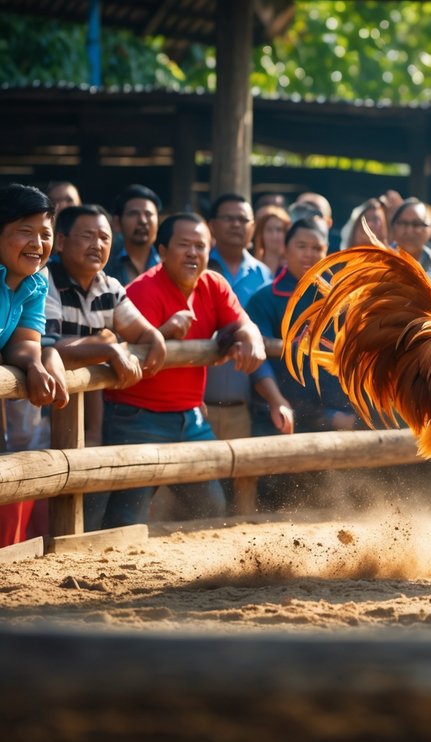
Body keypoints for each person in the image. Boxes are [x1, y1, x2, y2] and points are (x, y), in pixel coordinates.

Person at [99, 212, 266, 529]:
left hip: (190, 417)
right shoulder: (143, 291)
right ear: (162, 251)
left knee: (210, 505)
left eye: (200, 246)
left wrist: (252, 339)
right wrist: (162, 332)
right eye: (184, 244)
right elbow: (124, 349)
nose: (193, 253)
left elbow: (243, 323)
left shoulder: (214, 284)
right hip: (137, 416)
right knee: (127, 516)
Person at [43, 204, 168, 530]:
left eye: (104, 237)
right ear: (60, 242)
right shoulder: (44, 279)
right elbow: (48, 348)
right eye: (87, 236)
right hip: (37, 412)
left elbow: (140, 331)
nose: (97, 244)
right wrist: (107, 348)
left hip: (87, 418)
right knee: (36, 496)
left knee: (85, 501)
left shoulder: (109, 286)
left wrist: (155, 337)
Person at [245, 216, 357, 438]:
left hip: (337, 419)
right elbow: (258, 361)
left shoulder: (340, 301)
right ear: (285, 249)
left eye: (317, 248)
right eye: (301, 246)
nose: (309, 254)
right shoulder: (264, 299)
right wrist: (276, 400)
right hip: (278, 416)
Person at [0, 184, 68, 546]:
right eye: (25, 231)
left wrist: (36, 365)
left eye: (45, 233)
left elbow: (25, 341)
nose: (37, 243)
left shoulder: (36, 281)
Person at [204, 193, 272, 448]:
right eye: (228, 218)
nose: (236, 225)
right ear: (212, 225)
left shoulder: (264, 275)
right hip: (198, 404)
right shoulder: (197, 268)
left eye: (243, 220)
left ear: (253, 227)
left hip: (246, 405)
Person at [104, 184, 161, 286]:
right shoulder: (103, 266)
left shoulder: (170, 264)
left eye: (148, 214)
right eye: (133, 214)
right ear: (117, 223)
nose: (143, 221)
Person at [390, 198, 431, 282]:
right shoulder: (377, 262)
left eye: (417, 224)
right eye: (403, 223)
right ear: (393, 227)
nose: (409, 231)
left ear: (430, 229)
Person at [252, 204, 291, 274]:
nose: (274, 235)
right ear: (261, 234)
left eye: (279, 230)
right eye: (269, 230)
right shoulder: (252, 266)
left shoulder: (293, 267)